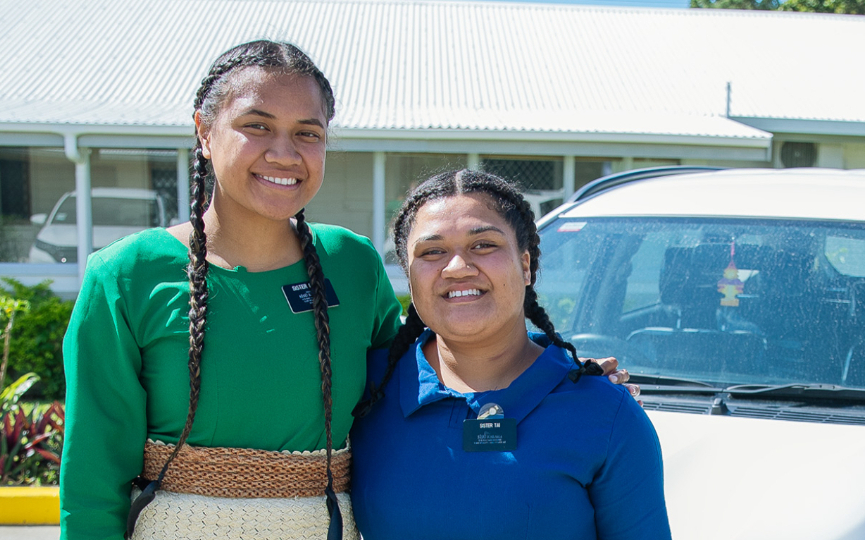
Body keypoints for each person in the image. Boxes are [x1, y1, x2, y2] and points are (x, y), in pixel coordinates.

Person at [60, 41, 633, 540]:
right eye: (256, 125)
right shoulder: (125, 275)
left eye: (307, 133)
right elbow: (91, 480)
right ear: (204, 132)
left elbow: (422, 368)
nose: (284, 153)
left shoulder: (351, 263)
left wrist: (561, 375)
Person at [349, 169, 670, 539]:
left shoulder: (605, 414)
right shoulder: (366, 390)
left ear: (526, 264)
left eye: (483, 245)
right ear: (409, 275)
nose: (457, 268)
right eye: (433, 251)